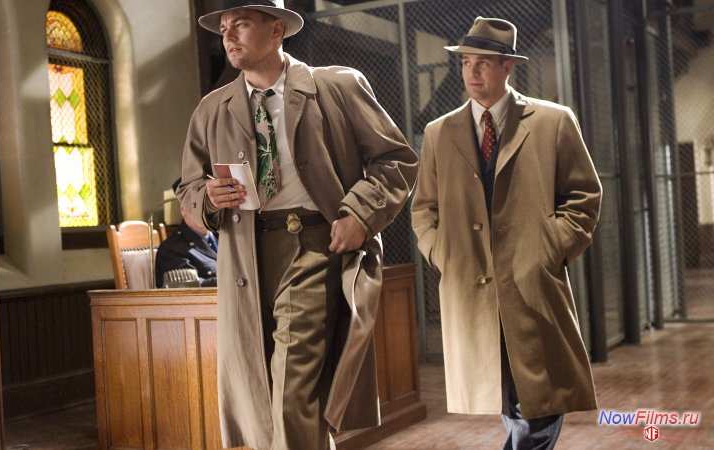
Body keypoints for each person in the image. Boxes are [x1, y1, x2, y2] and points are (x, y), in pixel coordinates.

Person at [176, 1, 418, 449]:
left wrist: (360, 214)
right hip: (244, 260)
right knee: (271, 395)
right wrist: (206, 197)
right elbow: (187, 191)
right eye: (224, 28)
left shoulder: (337, 86)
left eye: (241, 25)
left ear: (277, 30)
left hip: (313, 247)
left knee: (291, 389)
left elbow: (396, 161)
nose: (228, 36)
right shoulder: (212, 109)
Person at [411, 17, 602, 450]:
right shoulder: (439, 133)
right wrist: (442, 254)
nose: (472, 72)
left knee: (540, 394)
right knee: (507, 392)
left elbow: (584, 196)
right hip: (470, 282)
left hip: (531, 278)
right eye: (466, 63)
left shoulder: (553, 121)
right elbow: (423, 208)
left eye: (483, 63)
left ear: (507, 67)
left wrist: (549, 249)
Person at [155, 180, 218, 287]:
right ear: (183, 209)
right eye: (195, 205)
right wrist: (230, 281)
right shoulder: (172, 249)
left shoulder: (225, 237)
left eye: (209, 204)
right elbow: (189, 289)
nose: (204, 211)